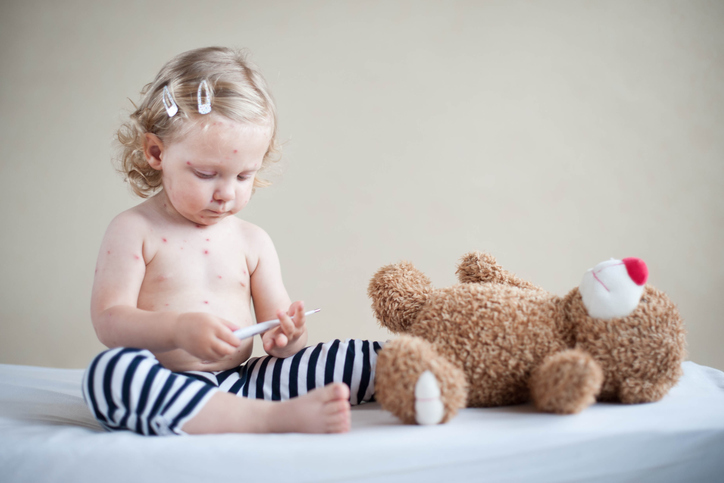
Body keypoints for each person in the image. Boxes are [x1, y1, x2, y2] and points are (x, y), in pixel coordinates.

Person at [82, 47, 382, 436]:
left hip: (247, 381)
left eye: (244, 177)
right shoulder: (134, 229)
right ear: (156, 152)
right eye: (207, 173)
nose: (227, 193)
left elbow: (279, 336)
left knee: (358, 356)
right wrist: (178, 330)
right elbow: (109, 322)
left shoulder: (252, 240)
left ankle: (438, 373)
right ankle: (268, 420)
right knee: (109, 376)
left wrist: (289, 336)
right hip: (168, 383)